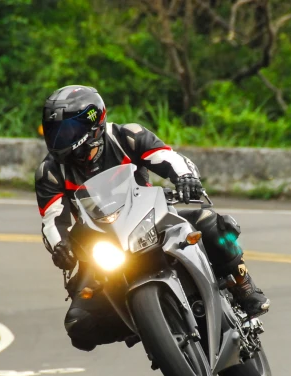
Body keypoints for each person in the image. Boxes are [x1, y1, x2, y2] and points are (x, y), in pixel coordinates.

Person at [36, 85, 270, 351]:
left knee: (212, 224)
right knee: (79, 325)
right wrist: (60, 246)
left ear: (93, 122)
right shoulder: (50, 172)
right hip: (101, 244)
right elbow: (53, 220)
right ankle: (147, 325)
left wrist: (185, 178)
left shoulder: (127, 136)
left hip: (150, 218)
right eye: (53, 131)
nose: (58, 139)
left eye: (66, 130)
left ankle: (243, 283)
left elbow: (167, 157)